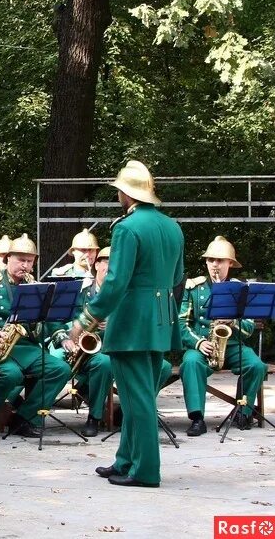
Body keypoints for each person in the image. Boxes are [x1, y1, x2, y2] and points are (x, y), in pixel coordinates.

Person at [71, 160, 184, 488]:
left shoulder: (126, 227)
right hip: (162, 317)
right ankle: (126, 460)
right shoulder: (172, 226)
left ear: (126, 192)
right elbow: (177, 277)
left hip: (133, 320)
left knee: (139, 400)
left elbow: (116, 282)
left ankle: (146, 470)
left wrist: (86, 319)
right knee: (141, 393)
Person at [0, 234, 71, 437]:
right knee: (10, 374)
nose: (25, 266)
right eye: (21, 260)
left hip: (26, 349)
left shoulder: (35, 286)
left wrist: (63, 338)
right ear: (7, 258)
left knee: (61, 369)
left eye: (30, 261)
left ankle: (25, 418)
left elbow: (51, 321)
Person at [178, 235, 266, 435]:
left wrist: (233, 322)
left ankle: (243, 412)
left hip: (233, 345)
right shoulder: (194, 287)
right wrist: (198, 343)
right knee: (190, 364)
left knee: (256, 365)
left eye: (219, 260)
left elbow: (249, 328)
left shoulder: (241, 290)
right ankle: (197, 418)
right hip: (203, 345)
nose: (214, 265)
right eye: (210, 260)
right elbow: (182, 323)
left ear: (230, 263)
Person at [50, 245, 115, 437]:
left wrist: (111, 324)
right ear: (97, 266)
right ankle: (31, 413)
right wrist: (65, 339)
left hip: (104, 350)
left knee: (104, 364)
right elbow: (56, 319)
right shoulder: (80, 290)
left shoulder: (123, 296)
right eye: (106, 265)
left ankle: (94, 418)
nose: (111, 271)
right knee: (50, 362)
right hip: (73, 344)